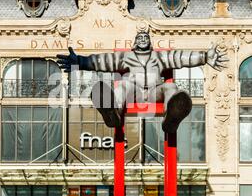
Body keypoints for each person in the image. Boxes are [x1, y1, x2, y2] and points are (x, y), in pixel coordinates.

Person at [57, 33, 228, 133]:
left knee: (171, 87)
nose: (143, 39)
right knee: (122, 86)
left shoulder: (159, 57)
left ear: (150, 42)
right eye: (140, 37)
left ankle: (172, 115)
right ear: (135, 43)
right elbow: (105, 61)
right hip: (134, 91)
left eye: (146, 37)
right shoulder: (126, 58)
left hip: (155, 91)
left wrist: (205, 57)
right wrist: (80, 61)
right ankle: (113, 112)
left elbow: (179, 57)